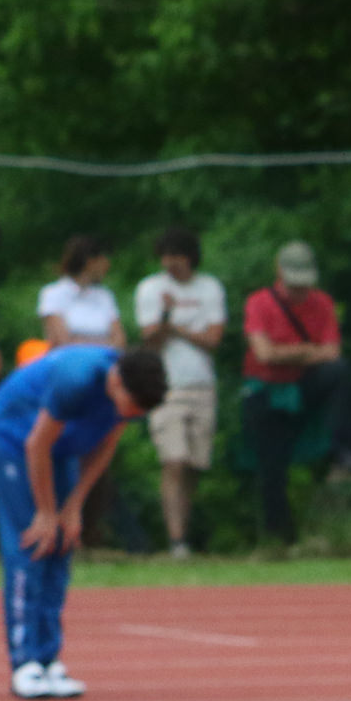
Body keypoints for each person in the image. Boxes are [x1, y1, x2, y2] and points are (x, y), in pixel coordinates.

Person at [0, 344, 166, 700]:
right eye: (133, 406)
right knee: (33, 543)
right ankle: (24, 662)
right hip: (18, 436)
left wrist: (74, 506)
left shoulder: (132, 396)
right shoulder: (76, 379)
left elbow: (105, 447)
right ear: (117, 383)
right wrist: (46, 511)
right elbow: (36, 445)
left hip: (62, 445)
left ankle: (48, 658)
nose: (134, 415)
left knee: (62, 543)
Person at [241, 241, 351, 545]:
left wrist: (287, 353)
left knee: (339, 371)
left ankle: (341, 450)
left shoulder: (323, 303)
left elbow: (332, 354)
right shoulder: (258, 303)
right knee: (272, 469)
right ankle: (280, 540)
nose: (300, 292)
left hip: (304, 385)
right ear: (279, 273)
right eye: (294, 285)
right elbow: (264, 354)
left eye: (304, 285)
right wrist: (307, 351)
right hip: (266, 391)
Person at [134, 226, 227, 559]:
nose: (170, 263)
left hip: (201, 384)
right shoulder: (150, 288)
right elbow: (149, 341)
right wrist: (165, 318)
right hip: (166, 386)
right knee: (172, 460)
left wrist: (176, 328)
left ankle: (184, 534)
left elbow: (213, 339)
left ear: (190, 257)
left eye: (176, 256)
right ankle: (176, 541)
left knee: (193, 465)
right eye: (165, 256)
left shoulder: (209, 287)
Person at [36, 237, 126, 350]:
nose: (108, 265)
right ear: (90, 262)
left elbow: (120, 341)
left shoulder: (105, 296)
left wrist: (80, 340)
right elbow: (61, 341)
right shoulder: (53, 294)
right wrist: (104, 342)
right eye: (103, 259)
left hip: (106, 359)